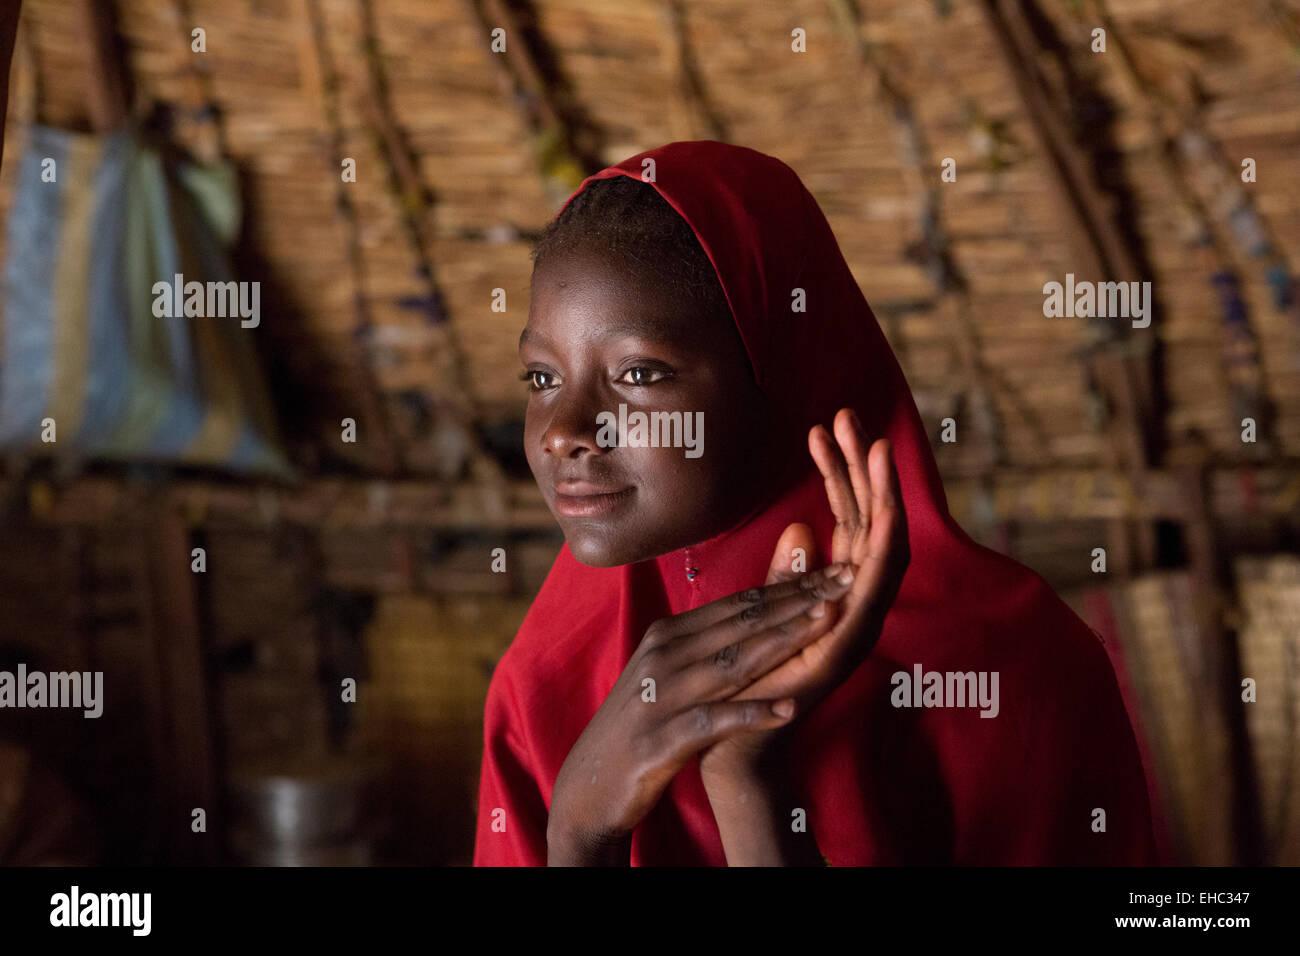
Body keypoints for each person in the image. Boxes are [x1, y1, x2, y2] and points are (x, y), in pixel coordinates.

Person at [474, 140, 1157, 866]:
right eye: (542, 378)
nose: (567, 433)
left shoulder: (1006, 678)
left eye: (639, 372)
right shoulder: (542, 688)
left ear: (789, 367)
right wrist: (580, 834)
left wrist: (745, 784)